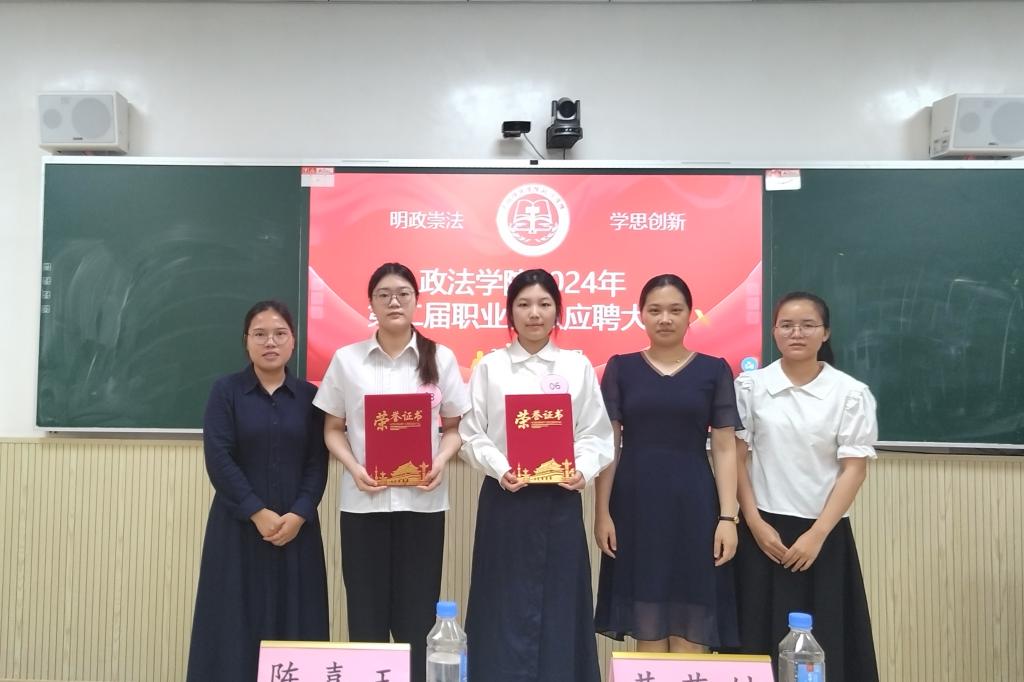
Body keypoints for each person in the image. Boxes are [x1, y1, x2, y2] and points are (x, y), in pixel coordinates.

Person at [313, 263, 468, 682]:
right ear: (371, 303)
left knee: (417, 615)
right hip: (363, 504)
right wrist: (354, 468)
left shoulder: (440, 357)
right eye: (384, 294)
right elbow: (332, 428)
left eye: (403, 293)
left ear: (416, 300)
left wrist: (439, 461)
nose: (394, 301)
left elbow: (455, 428)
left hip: (423, 504)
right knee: (365, 612)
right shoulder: (347, 360)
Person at [459, 268, 614, 682]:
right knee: (500, 601)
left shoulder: (576, 366)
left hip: (559, 500)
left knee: (561, 603)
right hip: (505, 499)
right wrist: (501, 468)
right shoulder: (490, 367)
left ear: (557, 311)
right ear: (510, 312)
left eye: (544, 304)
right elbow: (472, 434)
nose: (534, 313)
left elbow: (596, 434)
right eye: (524, 304)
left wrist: (581, 470)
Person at [732, 291, 879, 682]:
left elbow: (854, 470)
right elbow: (736, 460)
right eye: (786, 325)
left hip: (822, 537)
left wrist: (817, 534)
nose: (796, 333)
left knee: (825, 642)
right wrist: (753, 522)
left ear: (825, 332)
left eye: (808, 325)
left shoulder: (850, 393)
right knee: (754, 641)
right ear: (774, 331)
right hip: (761, 533)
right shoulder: (750, 386)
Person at [593, 274, 741, 653]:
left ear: (691, 315)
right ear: (640, 314)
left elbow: (725, 447)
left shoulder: (714, 370)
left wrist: (728, 518)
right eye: (655, 310)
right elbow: (609, 444)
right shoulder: (621, 368)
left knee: (693, 626)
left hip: (695, 505)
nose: (665, 319)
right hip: (635, 506)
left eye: (675, 310)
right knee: (648, 626)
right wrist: (602, 512)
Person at [187, 300, 329, 682]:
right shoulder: (226, 391)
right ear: (246, 341)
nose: (270, 342)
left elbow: (317, 462)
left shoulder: (310, 397)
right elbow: (219, 457)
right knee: (233, 622)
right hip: (237, 527)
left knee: (297, 620)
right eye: (260, 334)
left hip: (297, 530)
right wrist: (256, 511)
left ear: (293, 341)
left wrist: (299, 514)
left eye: (280, 333)